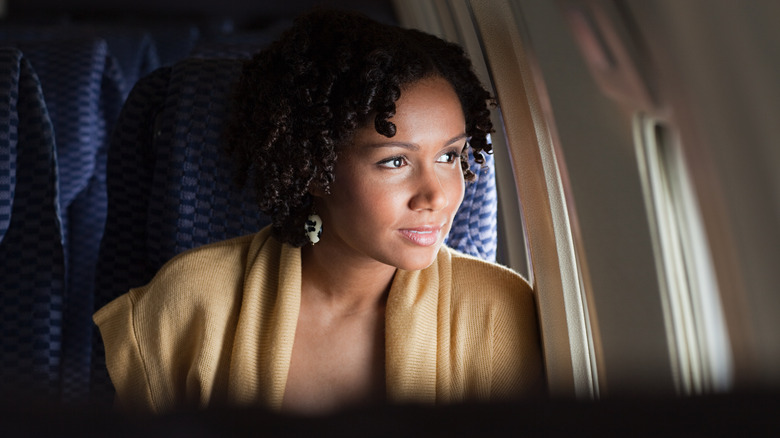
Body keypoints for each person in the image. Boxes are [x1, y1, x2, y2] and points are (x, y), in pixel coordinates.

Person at [94, 8, 545, 415]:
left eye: (449, 156)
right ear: (314, 168)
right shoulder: (188, 303)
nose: (436, 196)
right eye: (395, 161)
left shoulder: (500, 313)